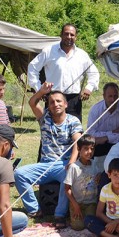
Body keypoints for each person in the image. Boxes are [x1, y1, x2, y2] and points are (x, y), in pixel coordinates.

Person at [14, 82, 82, 225]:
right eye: (51, 102)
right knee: (19, 174)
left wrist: (71, 163)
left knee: (67, 176)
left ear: (65, 104)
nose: (55, 104)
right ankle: (34, 210)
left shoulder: (73, 121)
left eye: (58, 101)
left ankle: (60, 215)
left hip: (63, 164)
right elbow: (32, 102)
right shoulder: (44, 118)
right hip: (44, 165)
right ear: (48, 106)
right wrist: (41, 91)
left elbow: (78, 143)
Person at [27, 23, 99, 120]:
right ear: (61, 35)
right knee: (52, 131)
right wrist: (39, 89)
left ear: (76, 37)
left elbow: (93, 72)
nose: (69, 37)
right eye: (66, 34)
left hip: (74, 100)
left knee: (75, 133)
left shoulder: (82, 55)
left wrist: (89, 88)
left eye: (72, 35)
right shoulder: (49, 51)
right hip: (53, 99)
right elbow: (32, 68)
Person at [64, 135, 101, 231]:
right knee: (78, 227)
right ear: (79, 149)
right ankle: (72, 215)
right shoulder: (73, 167)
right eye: (86, 149)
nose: (89, 152)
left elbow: (98, 177)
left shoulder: (94, 164)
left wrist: (99, 177)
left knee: (91, 224)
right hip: (77, 202)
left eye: (92, 149)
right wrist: (75, 205)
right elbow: (67, 188)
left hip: (91, 203)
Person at [86, 82, 119, 158]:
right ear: (104, 96)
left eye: (115, 96)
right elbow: (91, 133)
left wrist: (107, 138)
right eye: (110, 96)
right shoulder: (95, 109)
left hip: (118, 143)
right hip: (100, 144)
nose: (113, 99)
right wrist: (112, 132)